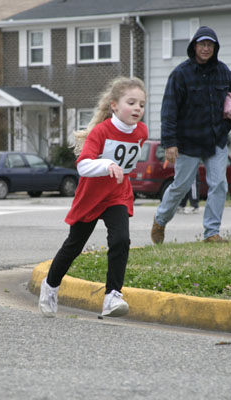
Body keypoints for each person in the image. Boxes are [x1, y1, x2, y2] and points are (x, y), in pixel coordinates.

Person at [39, 76, 148, 318]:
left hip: (117, 195)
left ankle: (112, 296)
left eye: (141, 104)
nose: (137, 108)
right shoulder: (101, 131)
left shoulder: (142, 131)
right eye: (131, 103)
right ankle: (50, 286)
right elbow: (83, 166)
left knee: (121, 240)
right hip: (91, 196)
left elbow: (127, 165)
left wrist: (119, 170)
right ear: (114, 105)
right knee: (74, 246)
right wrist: (107, 164)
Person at [151, 26, 231, 244]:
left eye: (210, 45)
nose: (206, 48)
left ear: (215, 48)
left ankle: (211, 233)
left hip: (216, 140)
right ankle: (160, 220)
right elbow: (168, 110)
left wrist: (226, 126)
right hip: (187, 142)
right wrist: (170, 143)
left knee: (219, 185)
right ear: (194, 46)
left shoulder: (224, 72)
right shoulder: (180, 74)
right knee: (180, 186)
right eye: (202, 44)